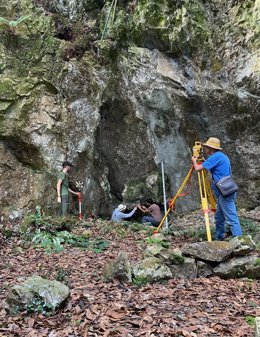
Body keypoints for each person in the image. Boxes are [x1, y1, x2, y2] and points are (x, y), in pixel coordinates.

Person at [191, 137, 242, 240]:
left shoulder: (215, 157)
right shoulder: (220, 156)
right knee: (219, 217)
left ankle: (240, 241)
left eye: (206, 147)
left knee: (231, 217)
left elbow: (197, 169)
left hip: (225, 192)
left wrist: (194, 161)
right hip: (226, 190)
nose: (204, 149)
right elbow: (210, 165)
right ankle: (219, 237)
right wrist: (203, 160)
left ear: (211, 148)